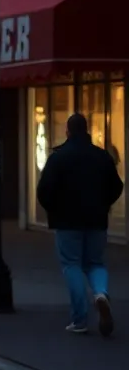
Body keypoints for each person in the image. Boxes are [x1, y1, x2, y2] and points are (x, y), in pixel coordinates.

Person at [36, 113, 124, 336]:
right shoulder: (102, 156)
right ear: (87, 131)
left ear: (68, 131)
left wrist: (53, 210)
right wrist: (103, 204)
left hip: (67, 221)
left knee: (71, 264)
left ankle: (80, 319)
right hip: (96, 220)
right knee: (95, 263)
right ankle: (101, 293)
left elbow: (44, 190)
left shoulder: (59, 157)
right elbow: (116, 186)